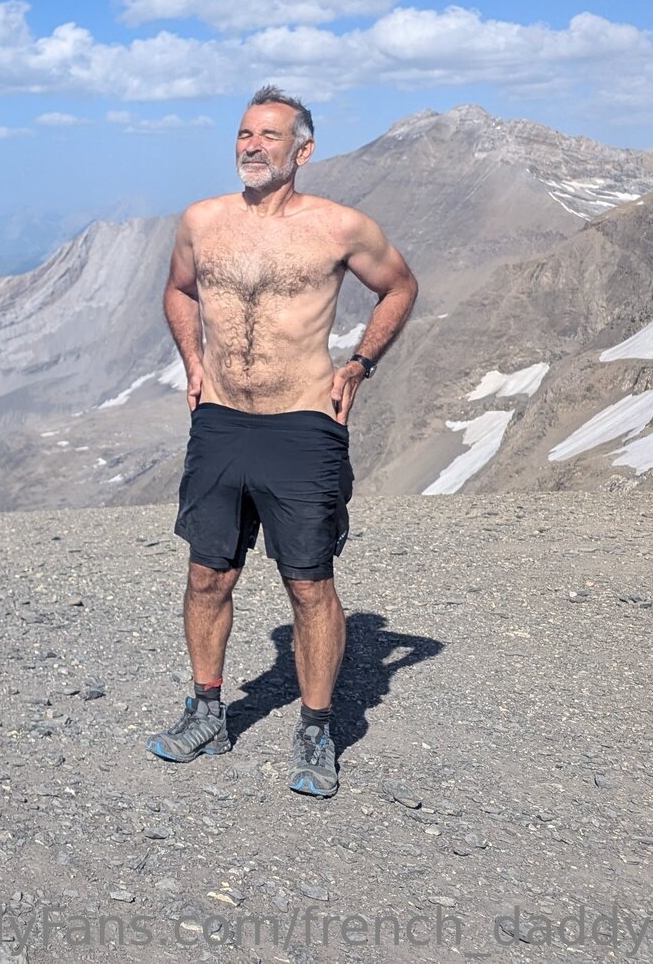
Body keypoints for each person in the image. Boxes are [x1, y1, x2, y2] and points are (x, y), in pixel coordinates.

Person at [146, 84, 418, 798]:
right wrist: (193, 362)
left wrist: (360, 365)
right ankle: (207, 712)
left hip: (302, 424)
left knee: (308, 583)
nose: (252, 146)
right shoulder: (203, 220)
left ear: (303, 150)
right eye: (244, 133)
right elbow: (177, 289)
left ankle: (317, 729)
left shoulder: (339, 226)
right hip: (221, 421)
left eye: (269, 135)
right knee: (207, 575)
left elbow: (400, 287)